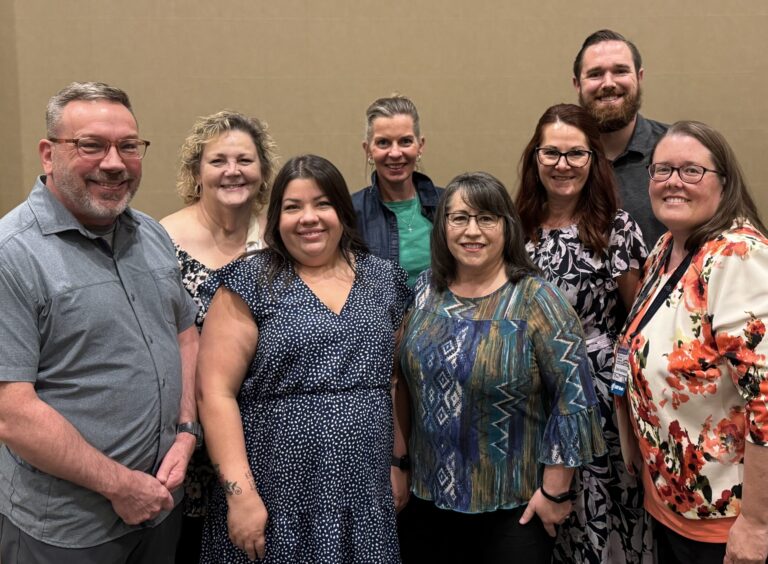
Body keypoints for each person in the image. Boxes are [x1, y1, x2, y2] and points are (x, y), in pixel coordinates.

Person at [0, 82, 199, 563]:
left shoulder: (150, 234)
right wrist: (120, 486)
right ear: (48, 154)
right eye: (91, 145)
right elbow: (11, 412)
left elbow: (184, 333)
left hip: (159, 508)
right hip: (67, 531)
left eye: (128, 146)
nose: (114, 163)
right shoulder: (12, 255)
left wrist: (187, 430)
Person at [196, 154, 411, 563]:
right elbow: (214, 393)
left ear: (342, 212)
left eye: (322, 204)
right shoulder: (250, 282)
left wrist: (397, 462)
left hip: (363, 492)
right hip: (273, 496)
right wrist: (240, 494)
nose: (309, 218)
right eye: (293, 207)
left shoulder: (383, 279)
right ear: (277, 218)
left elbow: (391, 381)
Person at [399, 171, 606, 563]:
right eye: (459, 218)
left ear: (507, 226)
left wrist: (555, 491)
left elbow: (574, 398)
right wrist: (400, 464)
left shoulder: (537, 299)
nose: (471, 231)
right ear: (442, 226)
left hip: (513, 506)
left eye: (486, 218)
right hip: (427, 500)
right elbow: (405, 384)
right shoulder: (426, 290)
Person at [615, 121, 768, 563]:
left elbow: (766, 401)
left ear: (724, 181)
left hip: (728, 519)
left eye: (691, 171)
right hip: (673, 503)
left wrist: (757, 524)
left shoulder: (737, 258)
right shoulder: (667, 247)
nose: (673, 182)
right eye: (662, 170)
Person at [515, 103, 651, 563]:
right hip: (531, 397)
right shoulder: (516, 230)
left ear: (593, 158)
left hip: (599, 399)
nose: (563, 165)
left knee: (602, 523)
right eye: (551, 153)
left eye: (576, 153)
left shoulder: (616, 228)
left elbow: (637, 326)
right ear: (535, 157)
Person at [160, 110, 278, 563]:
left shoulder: (280, 241)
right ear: (196, 172)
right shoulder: (159, 241)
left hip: (261, 434)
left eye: (245, 160)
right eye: (218, 161)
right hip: (183, 436)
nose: (233, 171)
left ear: (263, 171)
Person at [573, 29, 668, 248]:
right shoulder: (558, 161)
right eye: (595, 74)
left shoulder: (677, 152)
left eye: (620, 71)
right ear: (577, 84)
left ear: (639, 78)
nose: (608, 83)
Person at [353, 94, 443, 287]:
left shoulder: (448, 205)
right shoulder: (351, 213)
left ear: (420, 146)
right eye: (383, 143)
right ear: (368, 150)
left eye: (405, 141)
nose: (395, 153)